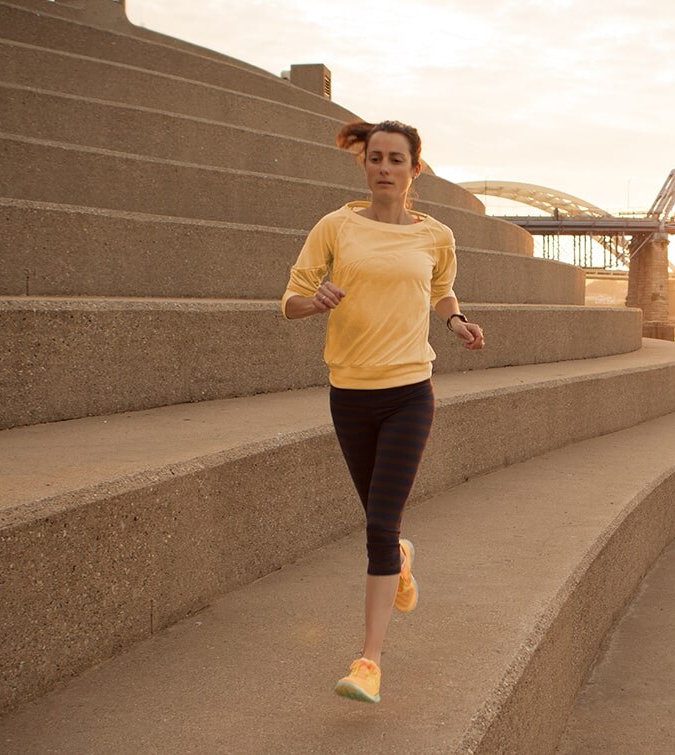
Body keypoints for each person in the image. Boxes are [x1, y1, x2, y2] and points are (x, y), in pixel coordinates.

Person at [281, 120, 485, 704]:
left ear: (414, 169)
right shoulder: (334, 228)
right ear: (364, 165)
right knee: (378, 517)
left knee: (377, 523)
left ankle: (368, 661)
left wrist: (455, 321)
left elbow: (441, 290)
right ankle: (399, 558)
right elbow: (290, 298)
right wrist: (313, 301)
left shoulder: (436, 236)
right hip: (349, 393)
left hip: (408, 392)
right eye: (376, 158)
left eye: (397, 159)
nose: (385, 168)